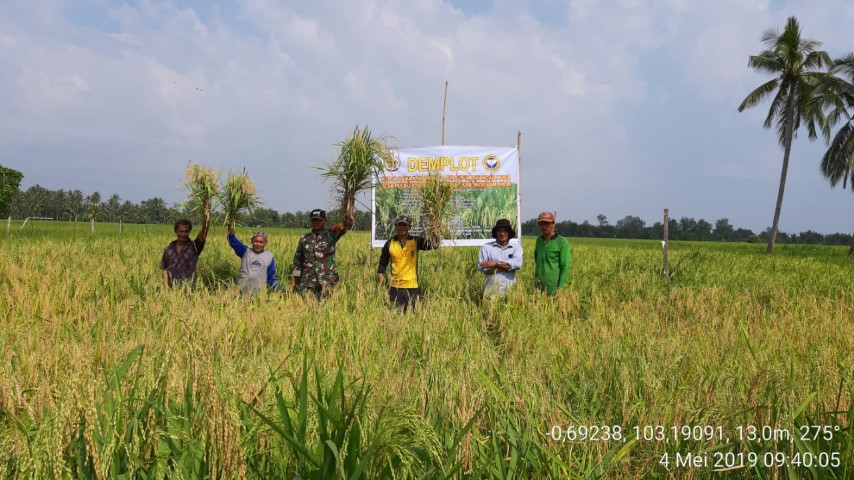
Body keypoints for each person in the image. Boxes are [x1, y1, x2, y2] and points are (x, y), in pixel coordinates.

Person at [290, 208, 352, 299]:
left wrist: (348, 206)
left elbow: (346, 224)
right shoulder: (304, 238)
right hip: (308, 281)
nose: (316, 222)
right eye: (314, 220)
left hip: (327, 281)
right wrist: (293, 280)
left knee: (326, 308)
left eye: (319, 220)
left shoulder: (332, 234)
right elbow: (297, 261)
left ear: (325, 221)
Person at [377, 215, 434, 311]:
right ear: (395, 227)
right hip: (395, 287)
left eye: (404, 225)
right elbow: (383, 262)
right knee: (395, 316)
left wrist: (435, 229)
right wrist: (380, 273)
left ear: (409, 227)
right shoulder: (389, 243)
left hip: (412, 286)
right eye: (399, 225)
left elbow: (433, 245)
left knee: (414, 316)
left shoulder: (416, 241)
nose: (402, 228)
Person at [160, 202, 211, 288]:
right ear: (176, 232)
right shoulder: (168, 250)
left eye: (186, 231)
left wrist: (207, 213)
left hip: (189, 291)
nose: (184, 234)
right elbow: (164, 271)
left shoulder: (194, 247)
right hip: (171, 293)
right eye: (181, 231)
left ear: (189, 232)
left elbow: (204, 231)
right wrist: (166, 290)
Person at [478, 219, 523, 299]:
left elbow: (517, 265)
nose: (502, 233)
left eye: (505, 231)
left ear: (509, 233)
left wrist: (495, 264)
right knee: (490, 312)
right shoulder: (486, 248)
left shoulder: (516, 248)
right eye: (499, 231)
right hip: (490, 294)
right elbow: (484, 269)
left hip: (510, 293)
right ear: (496, 233)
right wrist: (507, 268)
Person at [228, 225, 278, 295]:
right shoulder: (245, 251)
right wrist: (231, 233)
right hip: (242, 292)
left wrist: (277, 289)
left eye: (261, 242)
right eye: (256, 241)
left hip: (260, 294)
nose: (258, 244)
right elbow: (234, 243)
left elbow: (271, 276)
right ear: (252, 241)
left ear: (265, 243)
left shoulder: (269, 256)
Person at [534, 211, 570, 295]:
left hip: (554, 289)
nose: (544, 226)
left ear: (553, 224)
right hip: (538, 288)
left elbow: (565, 267)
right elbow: (537, 261)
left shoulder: (562, 242)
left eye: (547, 224)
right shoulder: (539, 240)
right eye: (541, 224)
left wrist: (561, 288)